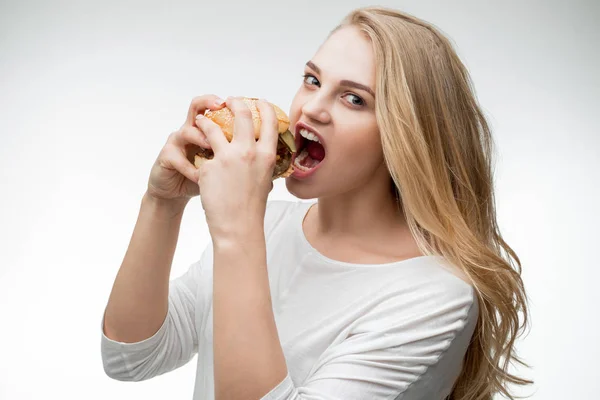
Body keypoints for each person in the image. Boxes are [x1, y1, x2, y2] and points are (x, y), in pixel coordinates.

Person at [100, 6, 531, 400]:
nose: (312, 109)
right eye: (312, 80)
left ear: (407, 136)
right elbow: (130, 358)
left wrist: (236, 233)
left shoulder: (435, 296)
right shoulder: (267, 225)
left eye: (354, 98)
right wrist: (163, 203)